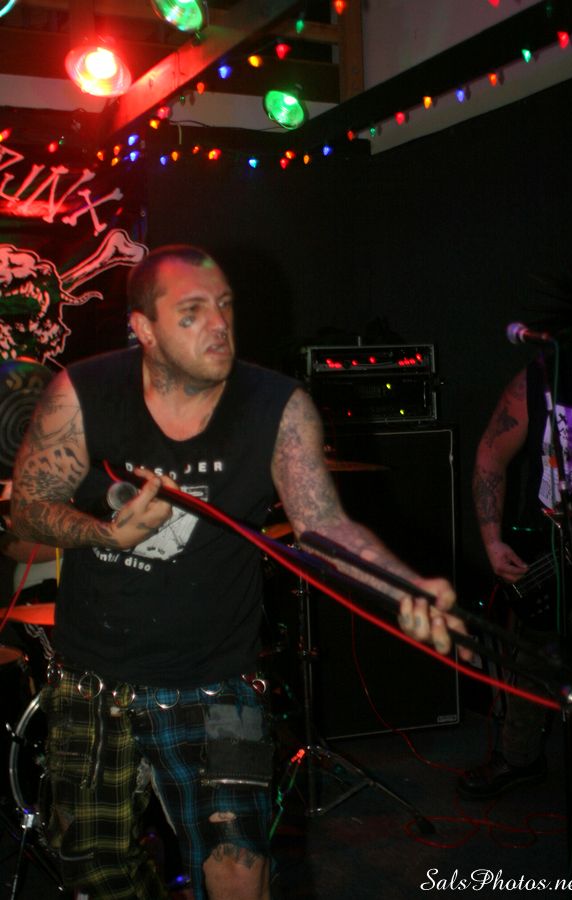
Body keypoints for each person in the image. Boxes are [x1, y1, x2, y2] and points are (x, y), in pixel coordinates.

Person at [9, 244, 466, 900]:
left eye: (223, 306)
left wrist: (402, 585)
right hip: (93, 684)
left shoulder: (277, 406)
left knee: (239, 877)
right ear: (143, 328)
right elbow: (28, 508)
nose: (218, 324)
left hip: (217, 685)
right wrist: (107, 533)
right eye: (191, 313)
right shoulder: (81, 394)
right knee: (96, 877)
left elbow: (324, 525)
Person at [458, 310, 572, 800]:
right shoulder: (540, 381)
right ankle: (519, 758)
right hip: (551, 544)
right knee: (533, 654)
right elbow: (490, 456)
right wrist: (493, 541)